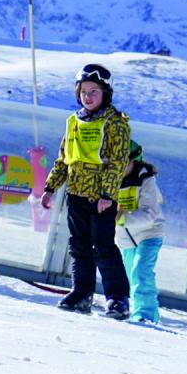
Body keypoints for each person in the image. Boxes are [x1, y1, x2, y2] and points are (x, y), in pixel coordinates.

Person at [40, 62, 133, 317]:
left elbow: (117, 162)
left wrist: (107, 194)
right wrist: (50, 187)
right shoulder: (73, 121)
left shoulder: (115, 123)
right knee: (79, 245)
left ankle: (118, 298)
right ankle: (82, 293)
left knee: (103, 246)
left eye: (94, 91)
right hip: (76, 192)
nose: (88, 96)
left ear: (105, 93)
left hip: (100, 196)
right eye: (83, 91)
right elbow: (64, 158)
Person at [116, 143, 167, 324]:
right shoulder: (107, 179)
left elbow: (150, 215)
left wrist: (121, 218)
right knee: (129, 277)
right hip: (125, 238)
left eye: (124, 162)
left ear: (134, 162)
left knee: (141, 271)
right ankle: (135, 311)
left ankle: (145, 315)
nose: (118, 167)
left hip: (149, 233)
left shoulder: (146, 180)